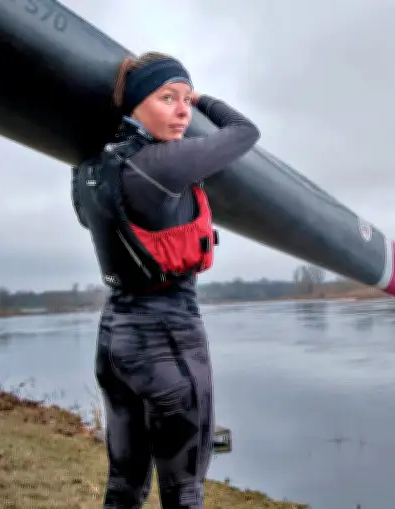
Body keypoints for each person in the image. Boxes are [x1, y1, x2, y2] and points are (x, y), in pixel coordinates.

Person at [71, 51, 260, 508]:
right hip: (168, 343)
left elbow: (92, 222)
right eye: (168, 98)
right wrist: (204, 98)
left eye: (186, 100)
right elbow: (244, 133)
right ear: (135, 104)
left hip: (114, 342)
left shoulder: (87, 170)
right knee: (185, 491)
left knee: (124, 486)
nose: (183, 112)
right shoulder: (164, 165)